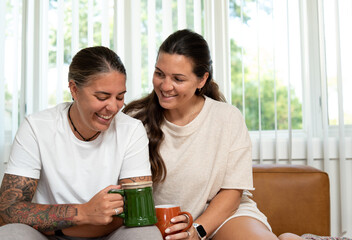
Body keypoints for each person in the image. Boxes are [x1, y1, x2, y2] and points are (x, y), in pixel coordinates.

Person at [123, 29, 304, 240]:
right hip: (166, 223)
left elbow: (232, 192)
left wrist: (197, 231)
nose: (165, 86)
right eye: (159, 73)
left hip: (224, 216)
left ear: (202, 80)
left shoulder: (227, 118)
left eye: (178, 79)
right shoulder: (135, 119)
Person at [0, 46, 162, 240]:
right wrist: (83, 213)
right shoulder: (36, 127)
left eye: (120, 97)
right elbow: (7, 211)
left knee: (146, 234)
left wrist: (64, 226)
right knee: (10, 234)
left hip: (107, 235)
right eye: (102, 97)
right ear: (74, 89)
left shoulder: (131, 130)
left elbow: (136, 212)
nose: (113, 107)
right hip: (47, 236)